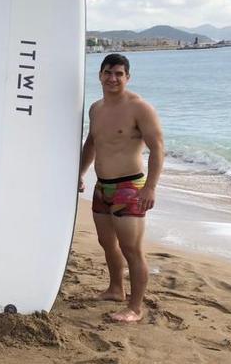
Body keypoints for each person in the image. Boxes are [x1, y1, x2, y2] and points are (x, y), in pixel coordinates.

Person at [79, 53, 164, 323]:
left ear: (128, 77)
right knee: (107, 243)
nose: (112, 78)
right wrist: (80, 173)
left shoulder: (140, 108)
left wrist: (150, 187)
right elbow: (92, 144)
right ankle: (116, 289)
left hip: (130, 186)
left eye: (119, 74)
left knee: (132, 250)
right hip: (102, 186)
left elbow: (158, 148)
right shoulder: (96, 108)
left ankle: (135, 308)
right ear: (100, 75)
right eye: (108, 73)